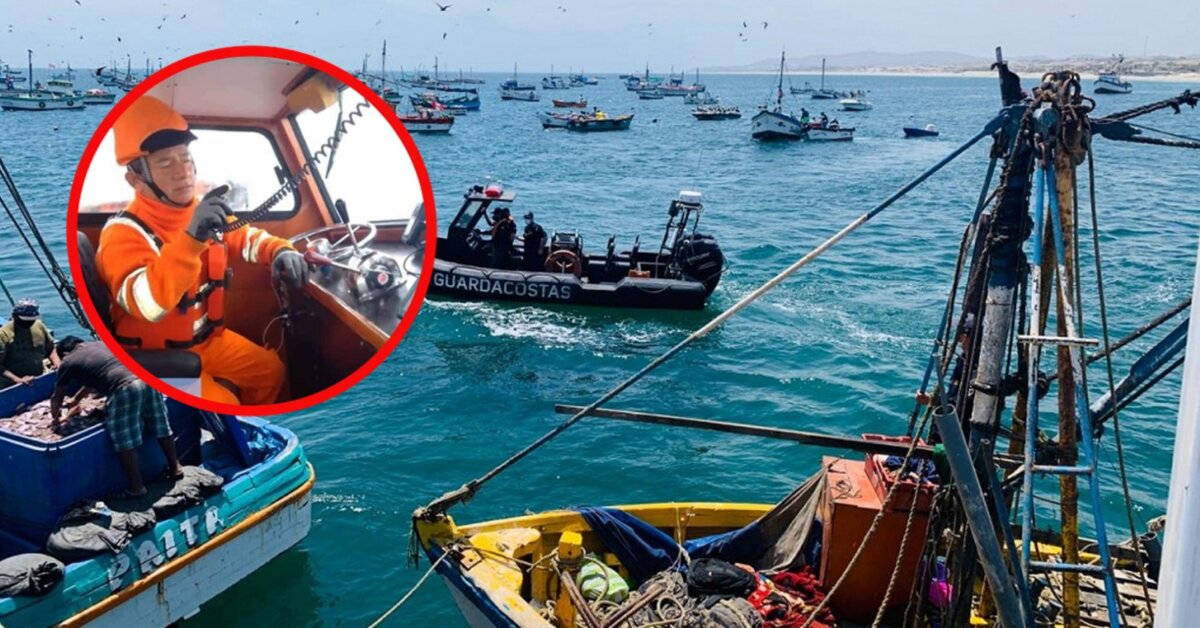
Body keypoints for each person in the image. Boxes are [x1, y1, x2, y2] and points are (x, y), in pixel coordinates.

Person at [95, 95, 308, 405]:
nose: (182, 171)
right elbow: (148, 306)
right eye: (165, 163)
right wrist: (191, 239)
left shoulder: (201, 210)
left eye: (185, 157)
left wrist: (279, 250)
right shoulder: (122, 233)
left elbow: (245, 237)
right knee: (226, 404)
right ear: (135, 180)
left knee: (272, 373)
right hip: (160, 360)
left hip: (209, 342)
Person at [50, 336, 183, 497]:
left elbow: (57, 395)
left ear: (65, 353)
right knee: (160, 424)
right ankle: (175, 468)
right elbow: (95, 378)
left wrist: (55, 419)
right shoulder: (100, 345)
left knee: (124, 439)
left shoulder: (68, 360)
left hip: (125, 388)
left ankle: (137, 487)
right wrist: (76, 400)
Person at [0, 298, 60, 387]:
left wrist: (57, 363)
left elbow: (50, 349)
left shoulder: (39, 325)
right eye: (24, 321)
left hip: (37, 378)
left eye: (31, 320)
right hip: (10, 385)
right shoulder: (3, 334)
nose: (28, 323)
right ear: (14, 316)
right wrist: (18, 380)